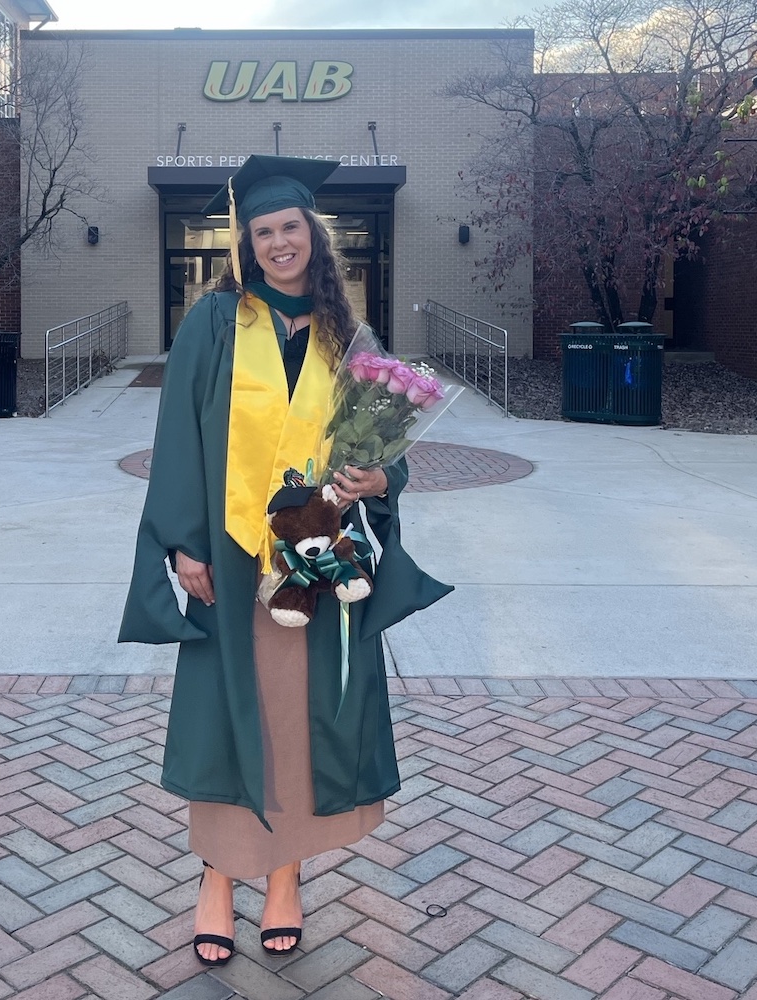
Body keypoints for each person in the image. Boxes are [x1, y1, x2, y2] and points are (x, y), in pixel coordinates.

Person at [119, 155, 451, 966]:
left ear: (314, 235)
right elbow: (180, 437)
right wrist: (182, 541)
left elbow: (379, 448)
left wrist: (382, 476)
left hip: (320, 560)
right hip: (233, 560)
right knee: (225, 721)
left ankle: (283, 881)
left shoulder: (349, 337)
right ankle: (216, 885)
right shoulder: (214, 322)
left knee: (296, 722)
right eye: (262, 232)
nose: (277, 244)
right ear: (248, 243)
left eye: (289, 229)